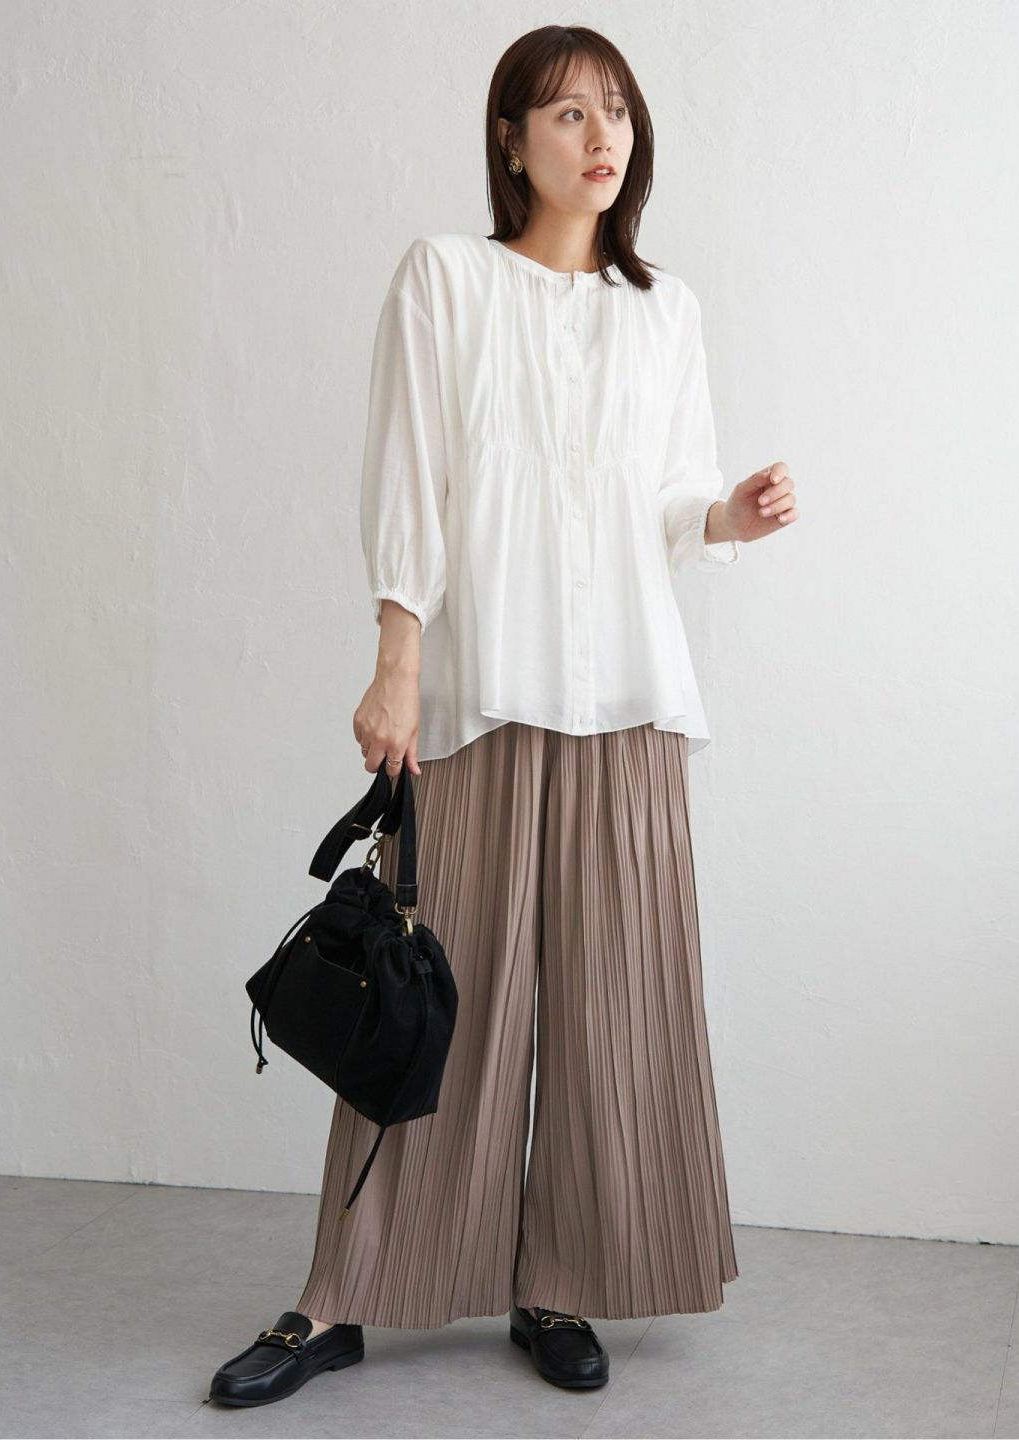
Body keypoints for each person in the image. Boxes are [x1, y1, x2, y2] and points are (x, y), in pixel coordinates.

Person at [209, 22, 798, 1408]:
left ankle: (559, 1279)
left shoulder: (666, 311)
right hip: (477, 694)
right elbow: (412, 475)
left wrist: (725, 516)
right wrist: (396, 661)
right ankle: (341, 1296)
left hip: (631, 701)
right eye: (569, 113)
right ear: (510, 141)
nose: (603, 136)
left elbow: (669, 497)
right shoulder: (447, 280)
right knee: (434, 1003)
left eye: (618, 111)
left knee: (612, 1014)